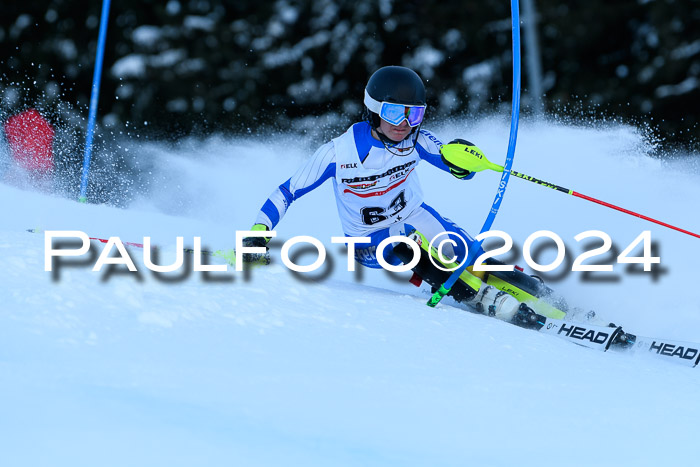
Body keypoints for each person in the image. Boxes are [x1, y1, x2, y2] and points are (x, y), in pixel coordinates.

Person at [243, 66, 565, 327]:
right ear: (374, 111)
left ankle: (547, 298)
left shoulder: (416, 141)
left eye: (414, 115)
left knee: (464, 251)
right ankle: (481, 297)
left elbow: (451, 162)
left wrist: (465, 164)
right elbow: (287, 192)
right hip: (368, 240)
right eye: (395, 114)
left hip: (414, 214)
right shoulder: (338, 154)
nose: (405, 125)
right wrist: (258, 234)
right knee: (407, 242)